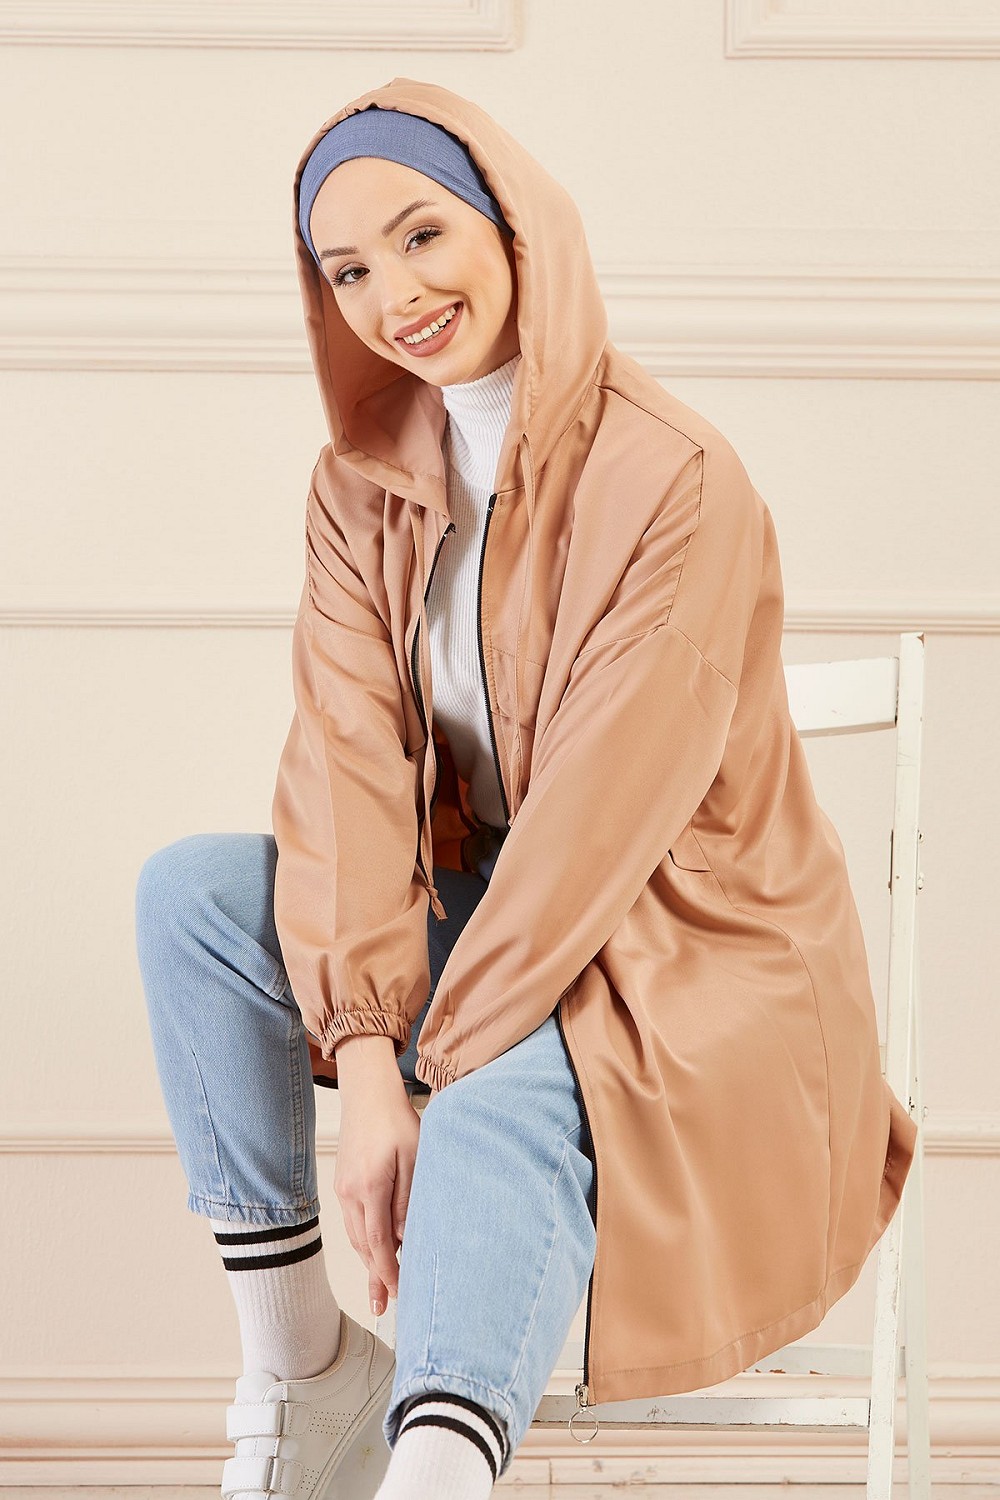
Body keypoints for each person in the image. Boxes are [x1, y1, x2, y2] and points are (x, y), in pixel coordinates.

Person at [135, 77, 918, 1500]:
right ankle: (308, 1375)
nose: (395, 296)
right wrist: (367, 1054)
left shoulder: (677, 478)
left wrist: (423, 1070)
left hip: (686, 943)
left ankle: (435, 1470)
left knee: (492, 1092)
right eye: (347, 270)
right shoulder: (357, 487)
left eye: (423, 235)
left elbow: (589, 835)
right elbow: (346, 768)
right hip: (489, 909)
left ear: (512, 224)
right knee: (191, 896)